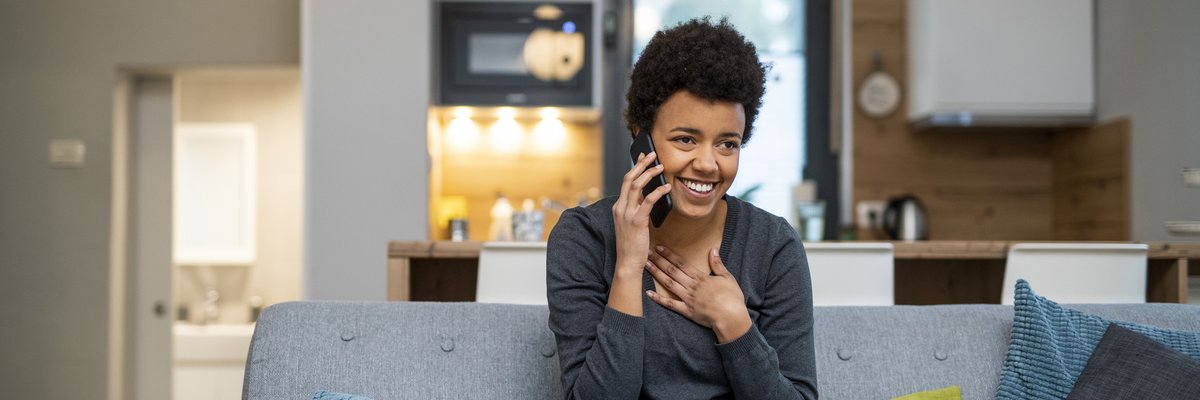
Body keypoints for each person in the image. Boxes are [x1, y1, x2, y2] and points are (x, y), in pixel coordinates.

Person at [546, 17, 818, 399]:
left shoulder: (773, 246)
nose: (709, 164)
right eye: (686, 139)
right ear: (640, 137)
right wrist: (627, 270)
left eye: (727, 144)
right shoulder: (583, 238)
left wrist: (735, 324)